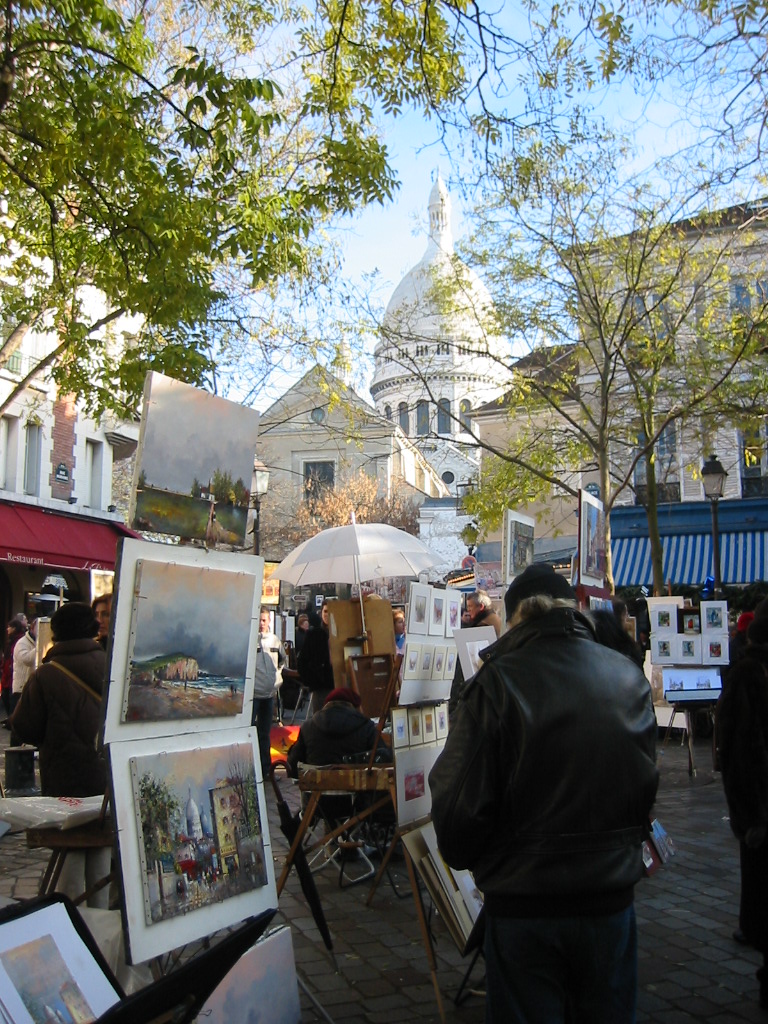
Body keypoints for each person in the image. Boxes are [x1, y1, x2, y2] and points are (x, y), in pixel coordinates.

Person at [429, 564, 659, 1024]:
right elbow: (645, 787)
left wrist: (487, 862)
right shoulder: (627, 677)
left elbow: (456, 814)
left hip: (525, 906)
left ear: (514, 619)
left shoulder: (494, 683)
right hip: (608, 900)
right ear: (573, 612)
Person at [10, 602, 110, 907]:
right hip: (105, 778)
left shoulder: (47, 674)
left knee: (70, 854)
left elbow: (24, 728)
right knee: (101, 848)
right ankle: (101, 924)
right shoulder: (111, 666)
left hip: (64, 779)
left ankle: (72, 925)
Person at [717, 613, 768, 1007]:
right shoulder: (751, 674)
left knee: (755, 865)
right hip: (756, 791)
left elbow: (736, 740)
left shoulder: (746, 673)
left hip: (756, 792)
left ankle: (753, 924)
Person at [252, 609, 285, 779]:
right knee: (249, 731)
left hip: (268, 694)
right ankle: (251, 769)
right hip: (254, 694)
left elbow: (282, 660)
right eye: (259, 620)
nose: (261, 623)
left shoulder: (274, 640)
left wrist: (276, 680)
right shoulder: (251, 640)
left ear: (269, 621)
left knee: (264, 733)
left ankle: (265, 770)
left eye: (264, 620)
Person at [297, 607, 335, 714]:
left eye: (330, 611)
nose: (327, 615)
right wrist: (313, 681)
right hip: (321, 687)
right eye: (325, 611)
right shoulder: (315, 634)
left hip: (339, 683)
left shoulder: (342, 633)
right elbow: (302, 661)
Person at [10, 617, 37, 746]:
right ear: (32, 628)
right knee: (18, 720)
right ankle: (15, 747)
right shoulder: (22, 643)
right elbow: (26, 659)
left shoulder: (33, 643)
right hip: (20, 687)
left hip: (31, 686)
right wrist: (40, 646)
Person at [1, 615, 27, 719]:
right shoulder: (11, 641)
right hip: (7, 675)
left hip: (13, 676)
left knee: (11, 700)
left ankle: (13, 721)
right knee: (6, 697)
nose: (7, 629)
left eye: (9, 627)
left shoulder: (19, 641)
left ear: (14, 628)